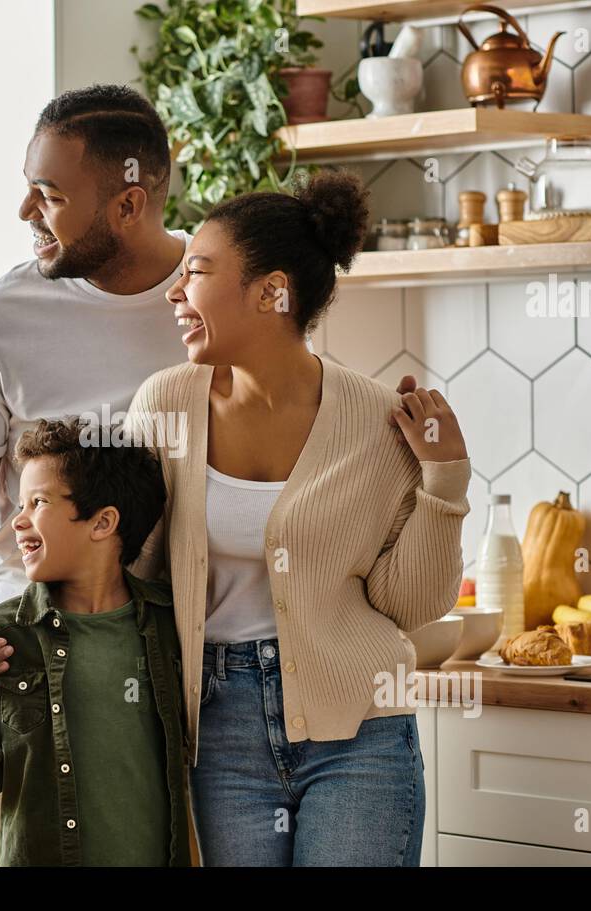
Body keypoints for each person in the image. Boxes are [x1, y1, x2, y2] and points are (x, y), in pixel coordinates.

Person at [127, 169, 472, 866]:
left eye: (195, 273)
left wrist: (445, 480)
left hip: (362, 733)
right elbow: (130, 576)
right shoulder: (162, 407)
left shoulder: (379, 422)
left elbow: (410, 604)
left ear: (271, 291)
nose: (174, 293)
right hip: (214, 730)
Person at [0, 419, 190, 865]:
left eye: (37, 502)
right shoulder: (0, 635)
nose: (17, 521)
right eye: (20, 504)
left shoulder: (169, 624)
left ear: (103, 522)